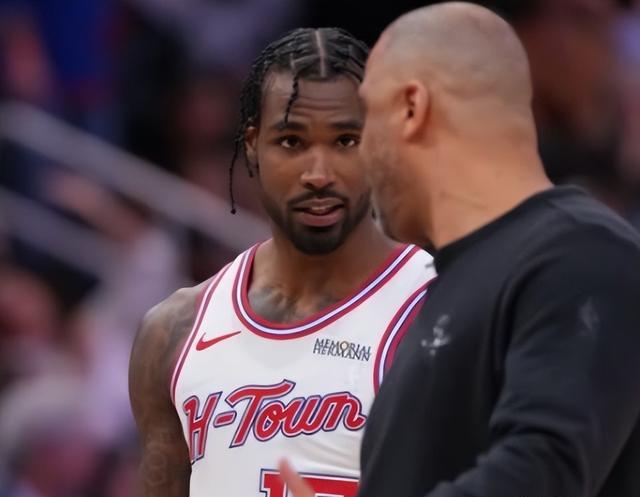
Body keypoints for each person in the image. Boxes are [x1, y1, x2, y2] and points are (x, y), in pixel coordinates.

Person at [280, 3, 640, 497]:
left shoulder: (581, 254)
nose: (359, 155)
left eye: (365, 120)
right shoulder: (446, 288)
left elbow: (541, 470)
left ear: (412, 108)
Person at [128, 27, 435, 497]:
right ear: (252, 145)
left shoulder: (444, 311)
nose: (319, 174)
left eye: (346, 140)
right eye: (292, 141)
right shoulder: (173, 333)